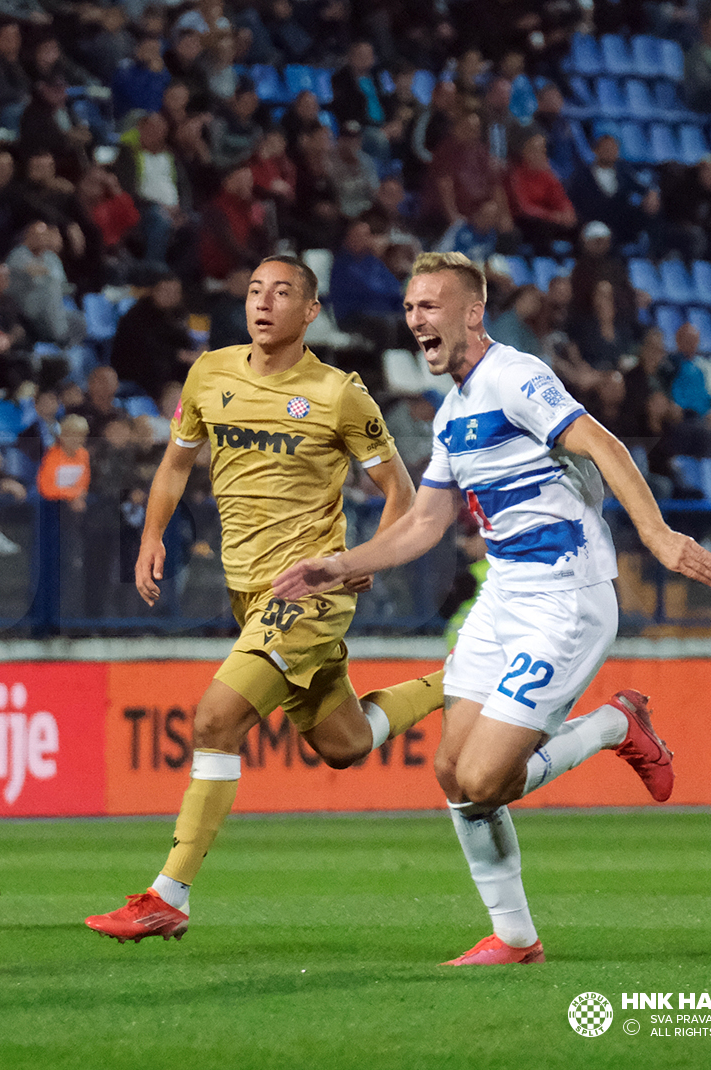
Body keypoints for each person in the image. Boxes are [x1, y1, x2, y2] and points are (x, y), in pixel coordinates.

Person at [272, 252, 711, 964]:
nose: (417, 320)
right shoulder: (453, 414)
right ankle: (516, 938)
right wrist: (340, 565)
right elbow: (423, 525)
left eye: (431, 306)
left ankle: (613, 724)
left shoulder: (515, 377)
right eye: (412, 308)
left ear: (472, 314)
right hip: (505, 595)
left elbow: (600, 442)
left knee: (486, 781)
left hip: (565, 599)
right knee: (454, 774)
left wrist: (658, 535)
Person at [85, 255, 444, 943]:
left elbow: (401, 492)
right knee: (344, 742)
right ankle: (463, 682)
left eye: (282, 293)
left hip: (308, 591)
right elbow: (174, 463)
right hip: (247, 592)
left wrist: (363, 558)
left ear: (311, 312)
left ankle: (169, 895)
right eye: (254, 290)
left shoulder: (340, 395)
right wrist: (151, 537)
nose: (264, 302)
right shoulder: (209, 374)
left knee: (215, 720)